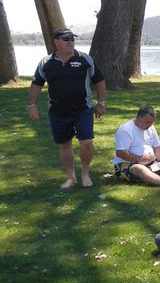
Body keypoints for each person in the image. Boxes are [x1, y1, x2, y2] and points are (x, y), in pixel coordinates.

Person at [27, 27, 106, 188]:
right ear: (56, 42)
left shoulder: (84, 59)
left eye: (72, 39)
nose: (70, 41)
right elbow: (37, 84)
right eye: (66, 39)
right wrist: (32, 105)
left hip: (83, 109)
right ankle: (71, 177)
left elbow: (99, 80)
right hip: (58, 111)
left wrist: (101, 103)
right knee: (64, 145)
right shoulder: (46, 62)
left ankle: (85, 174)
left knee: (86, 142)